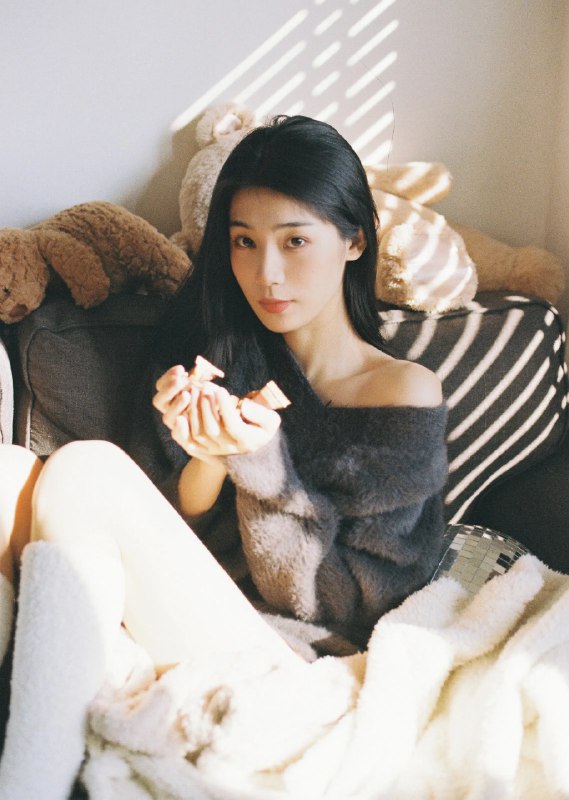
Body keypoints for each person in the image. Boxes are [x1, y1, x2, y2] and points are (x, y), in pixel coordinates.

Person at [0, 115, 447, 799]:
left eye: (295, 241)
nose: (267, 273)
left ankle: (31, 781)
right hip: (177, 612)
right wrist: (207, 456)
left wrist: (262, 466)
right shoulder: (216, 351)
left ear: (354, 239)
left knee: (86, 468)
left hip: (298, 660)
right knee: (6, 477)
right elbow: (147, 531)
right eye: (244, 242)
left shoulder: (400, 391)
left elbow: (343, 603)